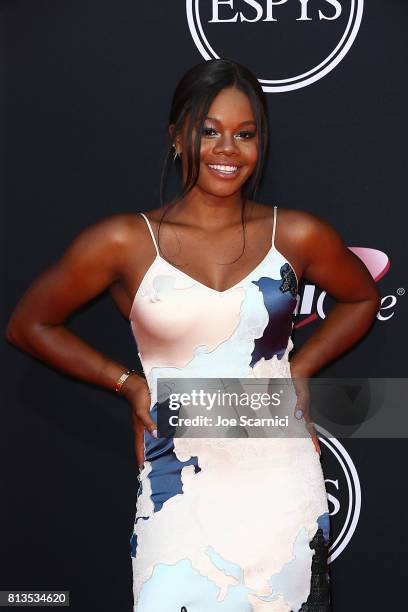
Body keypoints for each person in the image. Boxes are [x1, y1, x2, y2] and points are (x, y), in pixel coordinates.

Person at [6, 59, 380, 611]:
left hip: (279, 474)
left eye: (245, 134)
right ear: (177, 137)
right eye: (209, 131)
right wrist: (130, 385)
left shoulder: (298, 234)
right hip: (176, 485)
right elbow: (29, 324)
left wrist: (300, 368)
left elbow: (362, 297)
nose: (228, 149)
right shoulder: (124, 241)